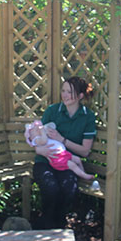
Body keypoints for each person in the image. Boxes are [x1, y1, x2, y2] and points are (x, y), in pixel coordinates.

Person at [32, 76, 97, 229]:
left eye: (70, 91)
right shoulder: (52, 111)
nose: (65, 95)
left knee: (69, 189)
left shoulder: (88, 116)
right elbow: (38, 139)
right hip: (45, 161)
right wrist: (40, 150)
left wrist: (62, 140)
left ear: (80, 96)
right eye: (63, 90)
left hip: (66, 163)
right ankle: (47, 225)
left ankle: (57, 223)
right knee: (50, 187)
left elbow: (85, 151)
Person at [25, 119, 94, 180]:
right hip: (57, 158)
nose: (37, 130)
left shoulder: (42, 136)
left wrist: (46, 130)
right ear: (30, 137)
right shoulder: (36, 140)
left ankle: (82, 173)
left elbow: (51, 128)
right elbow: (44, 141)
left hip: (63, 154)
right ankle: (84, 176)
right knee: (72, 165)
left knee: (77, 160)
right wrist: (42, 131)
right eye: (34, 130)